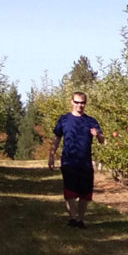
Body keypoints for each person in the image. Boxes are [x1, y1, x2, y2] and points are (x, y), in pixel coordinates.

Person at [48, 91, 103, 228]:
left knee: (85, 193)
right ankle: (73, 217)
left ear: (85, 103)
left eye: (82, 103)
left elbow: (102, 140)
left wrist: (98, 135)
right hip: (69, 160)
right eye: (77, 102)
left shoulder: (91, 121)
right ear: (72, 102)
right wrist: (51, 155)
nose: (80, 105)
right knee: (70, 191)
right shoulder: (64, 120)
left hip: (85, 162)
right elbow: (57, 138)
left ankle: (81, 219)